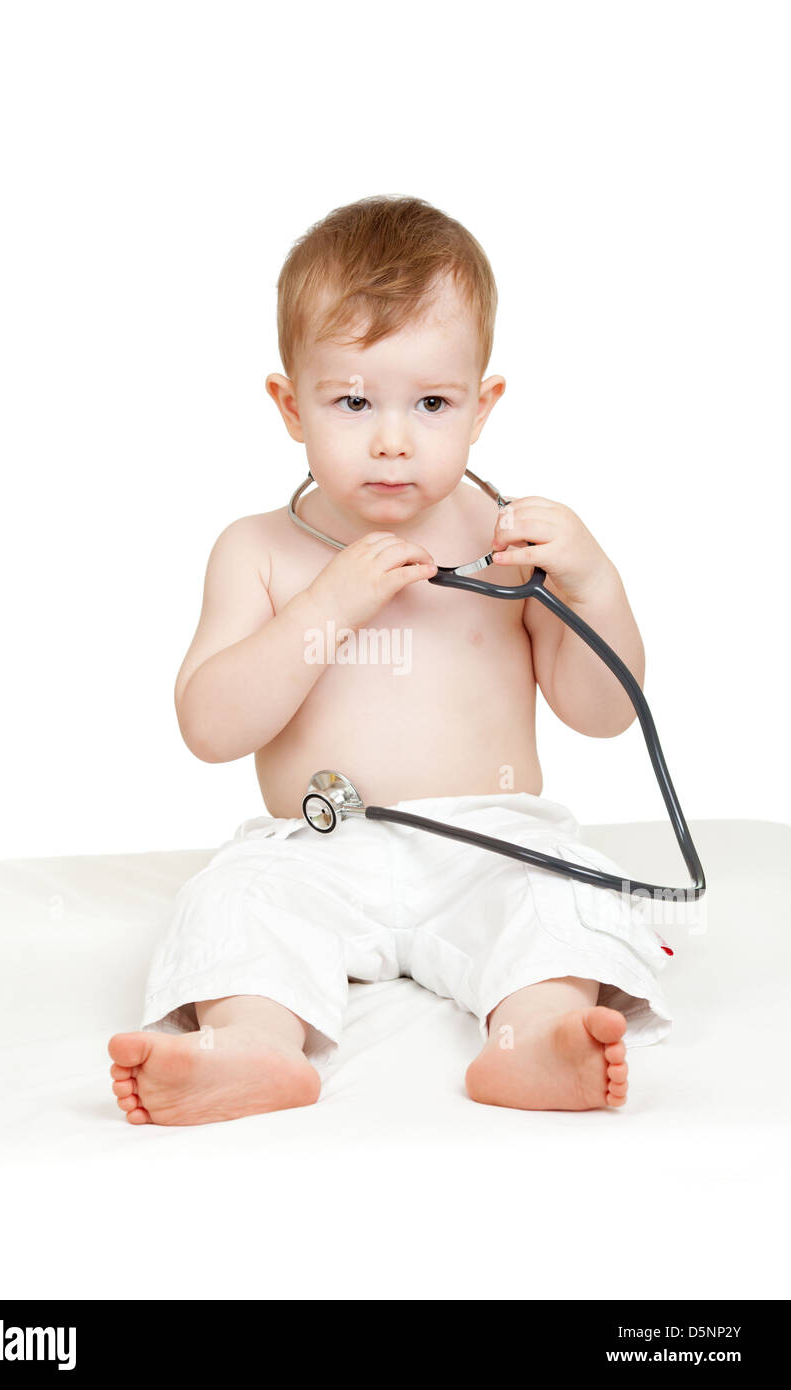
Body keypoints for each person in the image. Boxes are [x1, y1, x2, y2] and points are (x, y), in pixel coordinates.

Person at [108, 194, 672, 1125]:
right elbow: (210, 728)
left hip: (494, 838)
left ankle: (537, 1037)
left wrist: (593, 585)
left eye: (433, 403)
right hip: (318, 848)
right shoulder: (260, 550)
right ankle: (252, 1046)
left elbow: (602, 712)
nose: (392, 438)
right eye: (353, 400)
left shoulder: (506, 542)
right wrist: (328, 607)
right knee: (236, 899)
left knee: (559, 893)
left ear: (482, 408)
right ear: (292, 406)